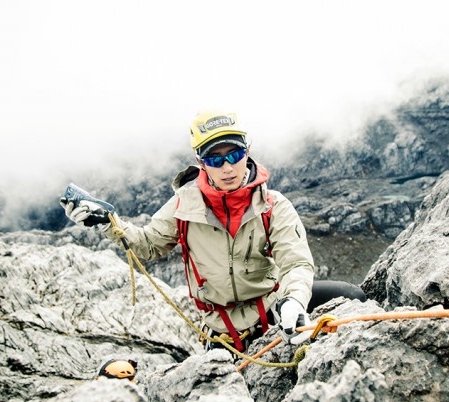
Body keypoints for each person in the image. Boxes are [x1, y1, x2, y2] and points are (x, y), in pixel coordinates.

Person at [61, 111, 365, 352]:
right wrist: (106, 223)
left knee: (352, 297)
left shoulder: (272, 205)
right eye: (215, 160)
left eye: (234, 155)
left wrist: (295, 301)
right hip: (222, 334)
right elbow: (148, 245)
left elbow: (296, 263)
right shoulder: (183, 205)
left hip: (273, 312)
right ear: (200, 162)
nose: (228, 168)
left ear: (247, 151)